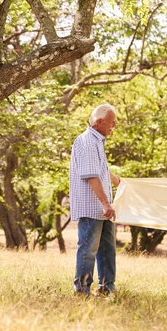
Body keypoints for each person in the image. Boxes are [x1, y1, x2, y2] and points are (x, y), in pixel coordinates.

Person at [70, 104, 122, 296]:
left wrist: (117, 180)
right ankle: (82, 290)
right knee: (88, 249)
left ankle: (107, 288)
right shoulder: (87, 142)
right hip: (94, 206)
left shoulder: (97, 141)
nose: (114, 126)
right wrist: (106, 204)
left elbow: (100, 170)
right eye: (112, 122)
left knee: (108, 249)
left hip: (103, 207)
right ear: (99, 122)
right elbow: (91, 176)